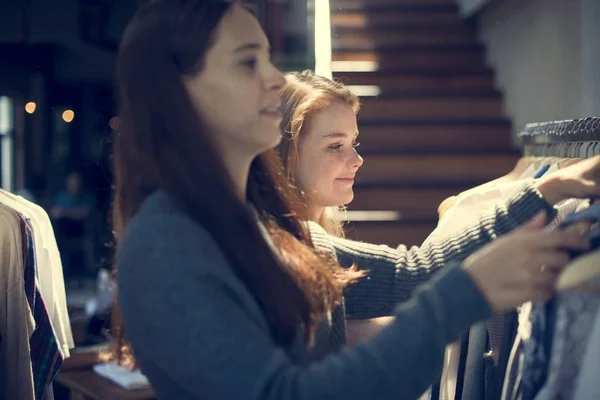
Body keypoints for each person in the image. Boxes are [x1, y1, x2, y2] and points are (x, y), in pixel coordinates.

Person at [113, 1, 597, 399]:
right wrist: (466, 295)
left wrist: (545, 190)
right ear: (181, 90)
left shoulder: (264, 229)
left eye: (267, 58)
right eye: (247, 61)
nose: (277, 80)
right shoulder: (168, 243)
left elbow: (412, 272)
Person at [276, 70, 600, 343]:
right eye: (335, 146)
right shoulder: (293, 244)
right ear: (286, 152)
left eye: (353, 143)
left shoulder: (306, 238)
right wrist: (549, 189)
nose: (356, 160)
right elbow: (416, 274)